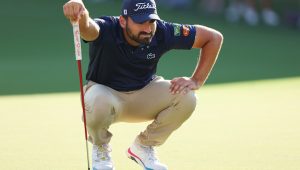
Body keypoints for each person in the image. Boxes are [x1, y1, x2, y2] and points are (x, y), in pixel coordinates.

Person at [63, 0, 223, 169]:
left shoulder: (162, 31)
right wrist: (81, 15)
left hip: (144, 95)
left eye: (151, 21)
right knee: (96, 98)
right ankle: (101, 149)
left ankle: (143, 146)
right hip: (107, 98)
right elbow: (88, 29)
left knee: (187, 97)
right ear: (123, 21)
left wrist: (196, 80)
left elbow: (213, 38)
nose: (147, 29)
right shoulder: (108, 27)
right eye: (140, 22)